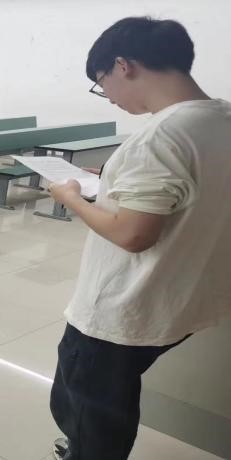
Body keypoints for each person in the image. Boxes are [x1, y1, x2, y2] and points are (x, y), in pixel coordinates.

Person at [46, 17, 231, 460]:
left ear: (122, 65)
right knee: (112, 398)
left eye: (101, 83)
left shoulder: (161, 134)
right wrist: (114, 178)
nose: (109, 95)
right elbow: (192, 187)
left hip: (125, 307)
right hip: (181, 296)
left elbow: (133, 235)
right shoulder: (220, 117)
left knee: (88, 409)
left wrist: (69, 197)